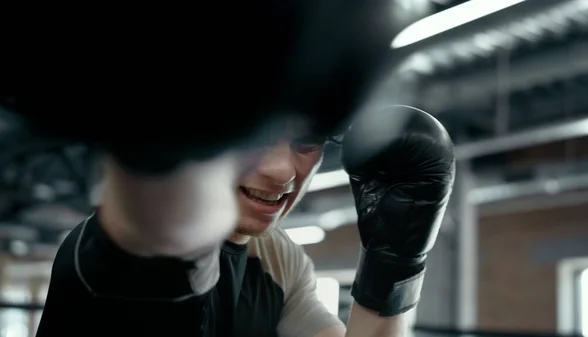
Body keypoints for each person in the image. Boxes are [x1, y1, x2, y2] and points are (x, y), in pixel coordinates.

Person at [36, 106, 455, 337]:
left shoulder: (278, 259)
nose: (281, 170)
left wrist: (393, 265)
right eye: (252, 133)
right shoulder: (116, 250)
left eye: (307, 140)